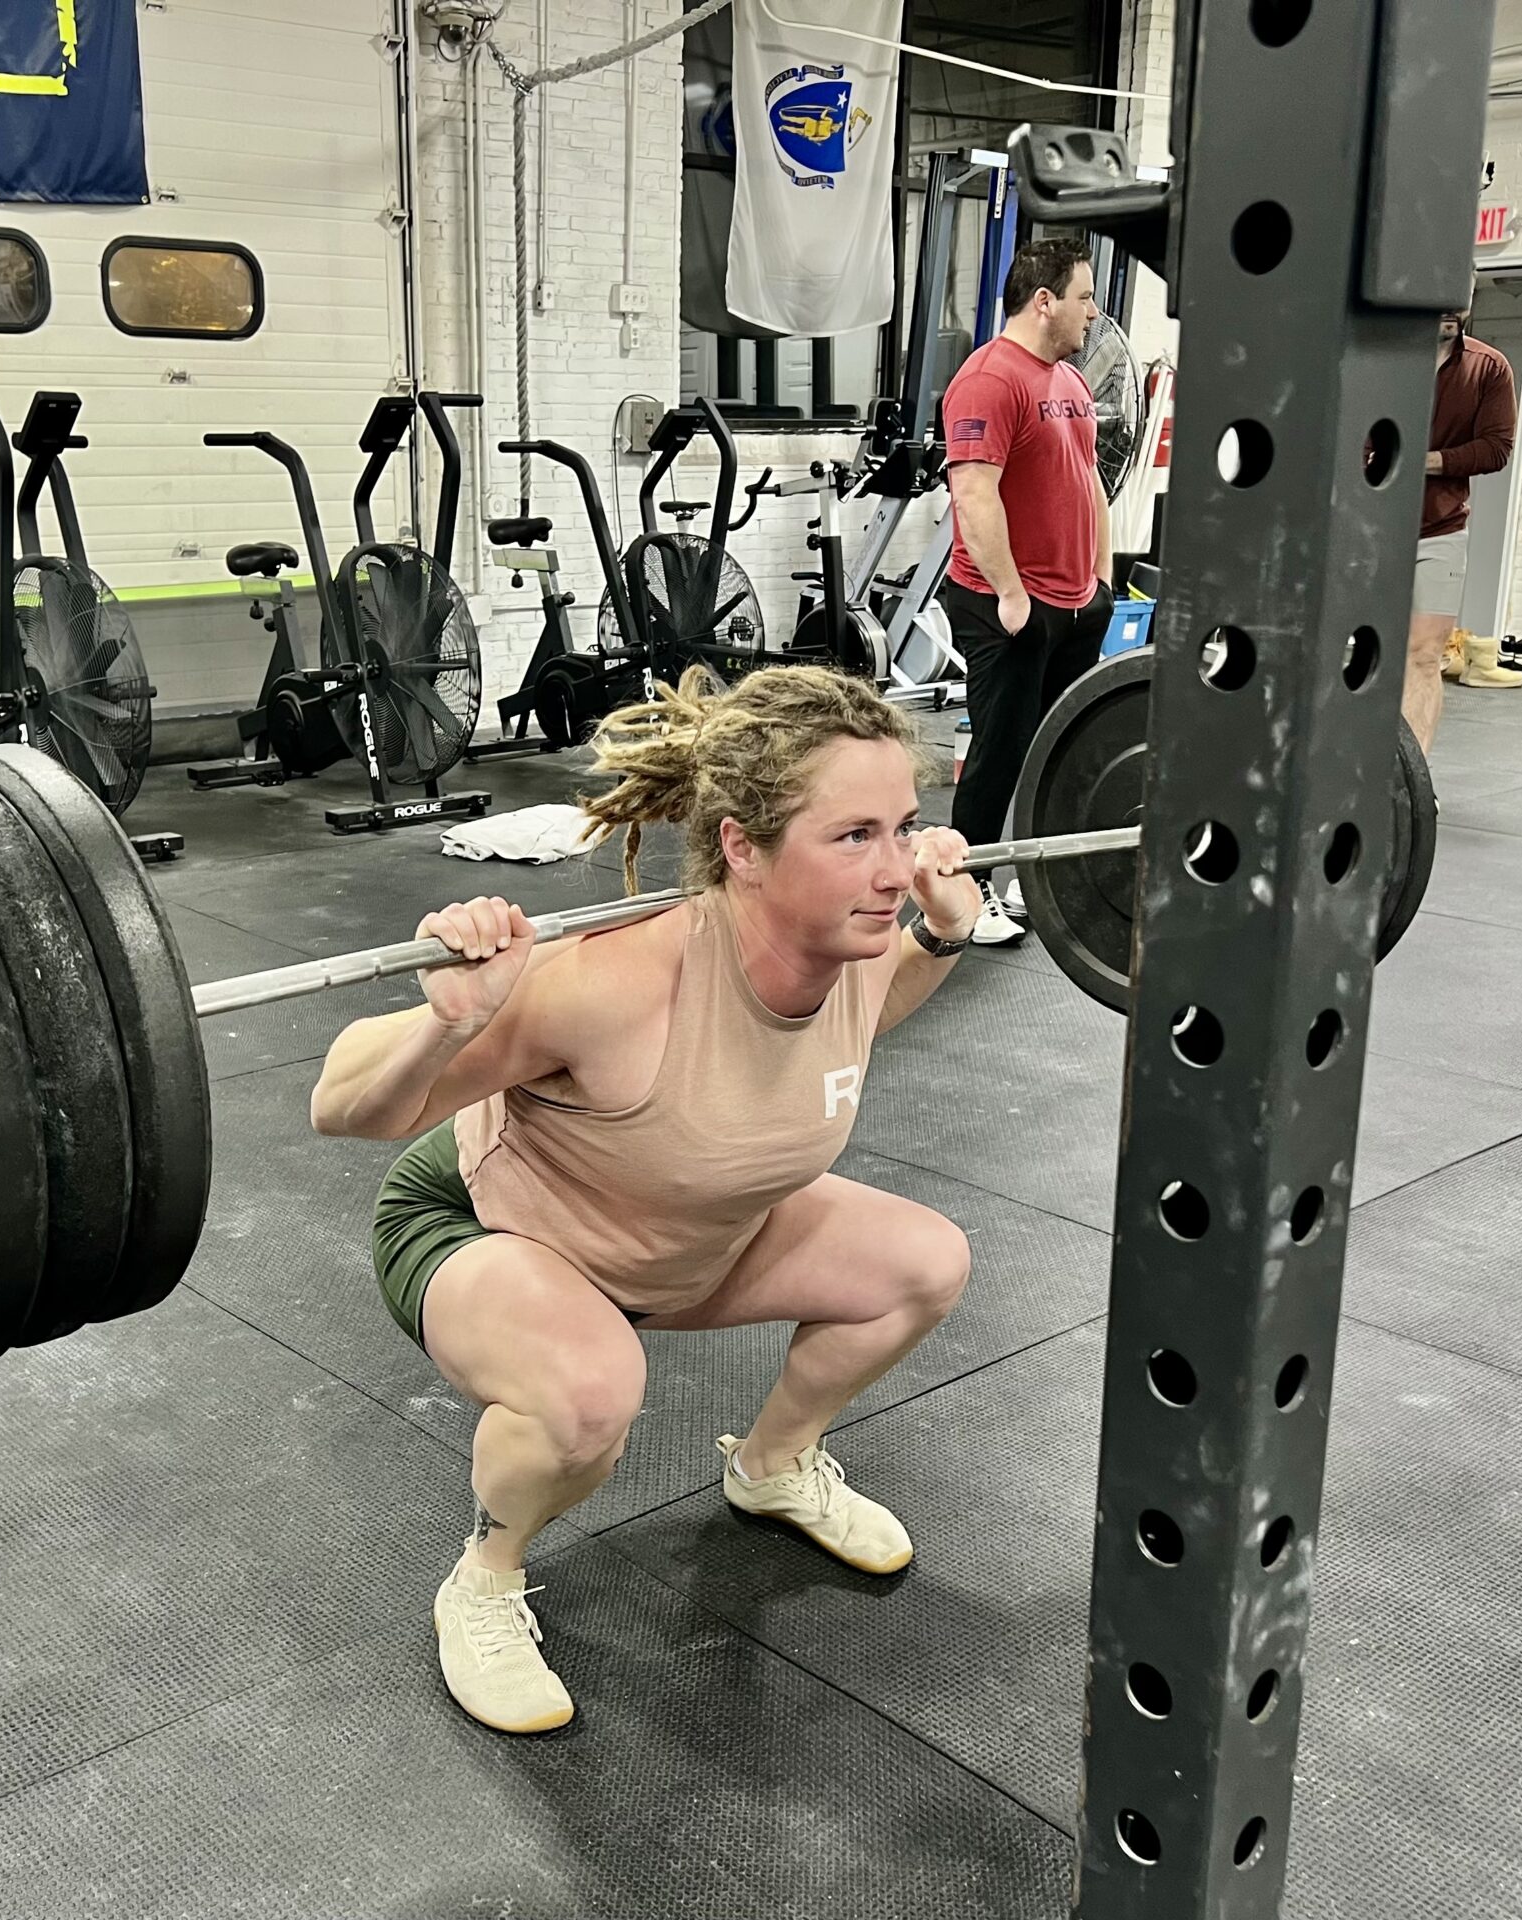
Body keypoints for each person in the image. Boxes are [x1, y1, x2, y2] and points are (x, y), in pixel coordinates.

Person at [313, 666, 981, 1735]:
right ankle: (485, 1576)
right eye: (854, 835)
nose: (898, 869)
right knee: (589, 1398)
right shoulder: (612, 983)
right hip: (491, 1226)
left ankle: (772, 1467)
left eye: (904, 827)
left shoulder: (850, 939)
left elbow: (860, 1021)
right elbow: (341, 1104)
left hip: (684, 1237)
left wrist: (941, 937)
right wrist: (449, 1021)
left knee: (923, 1263)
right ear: (742, 848)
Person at [939, 234, 1115, 947]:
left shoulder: (1070, 381)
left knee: (1063, 752)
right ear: (1045, 301)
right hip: (1007, 607)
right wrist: (1013, 596)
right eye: (1085, 297)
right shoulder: (989, 379)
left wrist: (1101, 579)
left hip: (1076, 602)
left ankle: (1035, 880)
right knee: (1001, 754)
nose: (1093, 312)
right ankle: (966, 889)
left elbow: (1089, 479)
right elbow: (973, 494)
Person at [1409, 307, 1519, 746]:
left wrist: (1426, 462)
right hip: (1367, 526)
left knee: (1423, 655)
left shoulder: (1488, 367)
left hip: (1441, 529)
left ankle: (1410, 776)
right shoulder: (1376, 354)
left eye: (1464, 293)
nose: (1453, 309)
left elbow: (1496, 448)